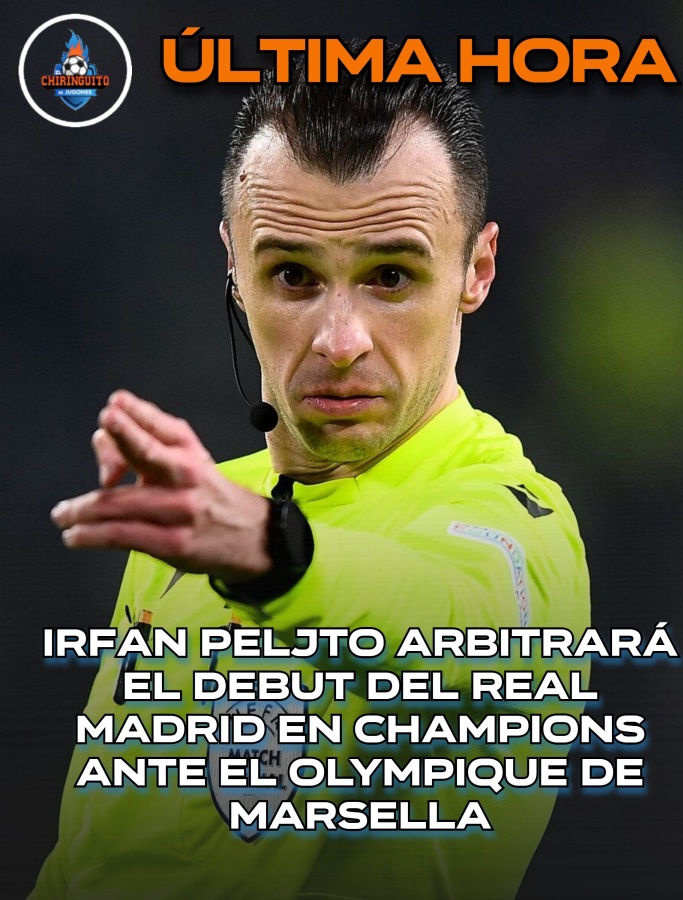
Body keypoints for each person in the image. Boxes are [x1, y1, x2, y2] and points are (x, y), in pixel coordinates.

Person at [32, 45, 590, 900]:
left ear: (475, 271)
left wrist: (274, 557)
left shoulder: (517, 525)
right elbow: (93, 859)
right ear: (234, 265)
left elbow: (451, 615)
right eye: (293, 274)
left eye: (391, 276)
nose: (340, 341)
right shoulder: (196, 522)